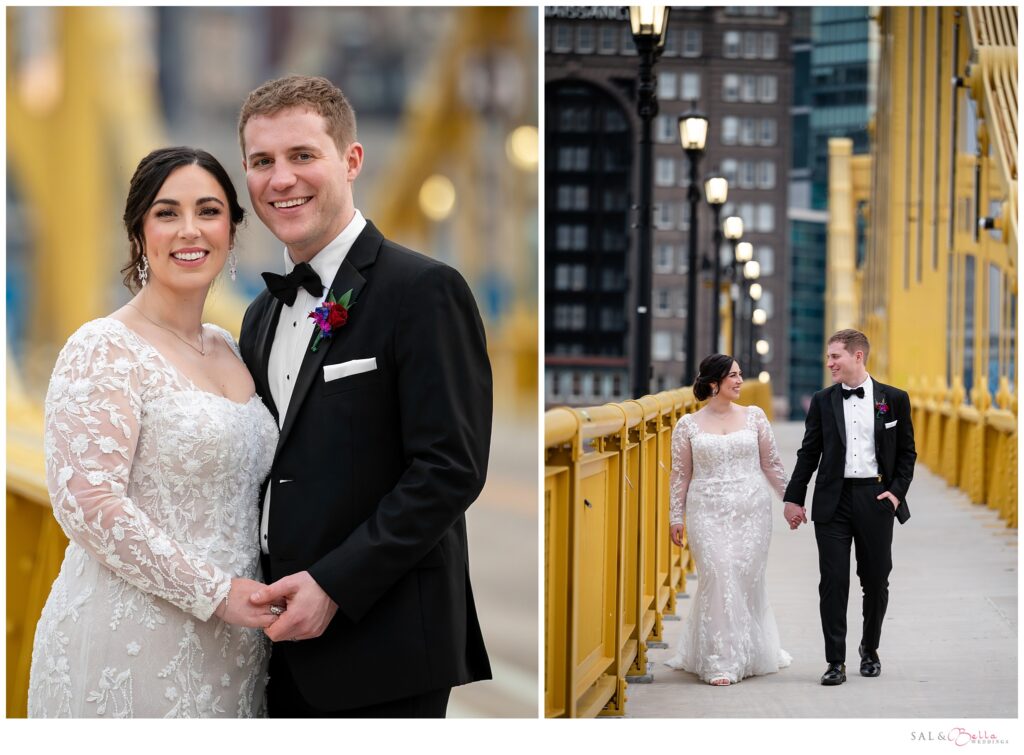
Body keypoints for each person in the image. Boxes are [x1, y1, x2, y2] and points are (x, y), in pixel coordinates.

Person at [236, 75, 492, 718]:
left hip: (386, 644)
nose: (281, 179)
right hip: (275, 647)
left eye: (302, 155)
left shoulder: (425, 290)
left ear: (351, 160)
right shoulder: (261, 314)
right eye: (262, 162)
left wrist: (333, 585)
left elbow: (450, 468)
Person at [28, 147, 282, 717]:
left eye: (209, 211)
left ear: (231, 231)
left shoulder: (233, 349)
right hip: (133, 639)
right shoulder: (104, 347)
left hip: (238, 648)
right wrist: (215, 593)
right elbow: (87, 502)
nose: (189, 230)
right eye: (167, 213)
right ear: (139, 233)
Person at [783, 329, 916, 686]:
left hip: (876, 500)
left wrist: (896, 493)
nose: (829, 364)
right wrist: (793, 497)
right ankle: (835, 661)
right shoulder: (823, 401)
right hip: (833, 502)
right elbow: (809, 452)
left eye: (835, 357)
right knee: (833, 582)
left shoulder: (895, 399)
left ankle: (870, 650)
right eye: (828, 357)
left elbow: (907, 453)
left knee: (875, 581)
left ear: (858, 356)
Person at [664, 354, 791, 686]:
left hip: (752, 511)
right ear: (712, 383)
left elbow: (771, 464)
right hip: (706, 511)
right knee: (720, 575)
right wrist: (675, 516)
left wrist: (791, 501)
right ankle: (722, 660)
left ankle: (749, 649)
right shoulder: (687, 426)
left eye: (740, 374)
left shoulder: (755, 417)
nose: (739, 381)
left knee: (744, 580)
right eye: (732, 376)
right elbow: (680, 475)